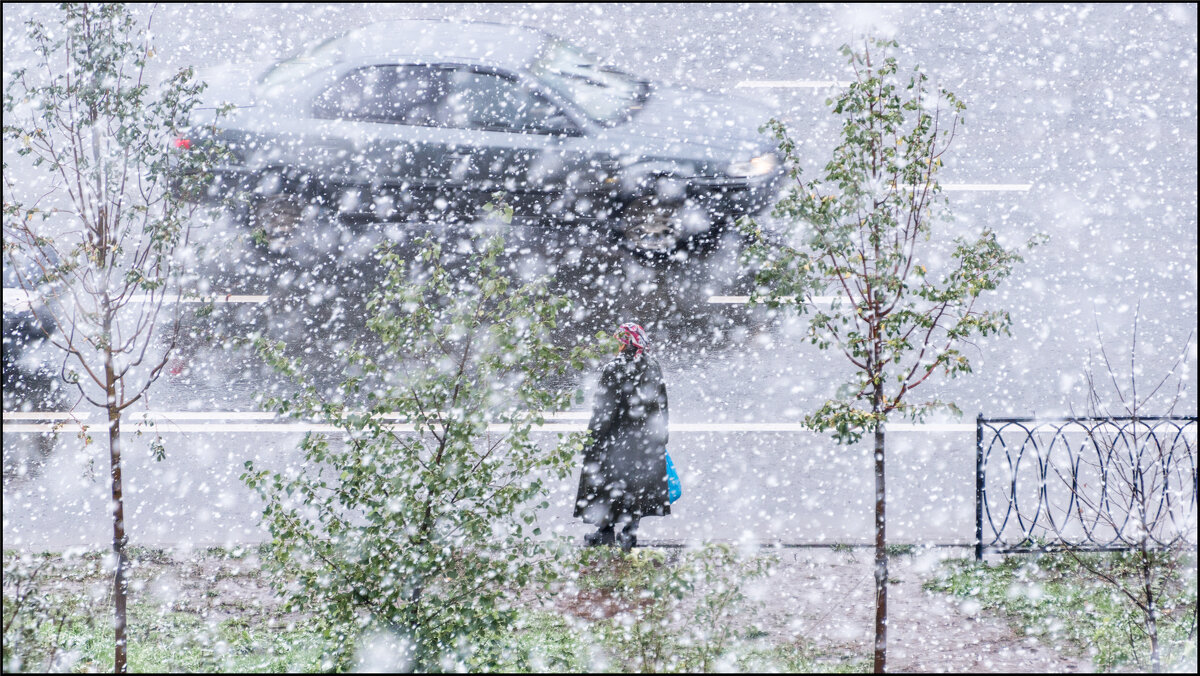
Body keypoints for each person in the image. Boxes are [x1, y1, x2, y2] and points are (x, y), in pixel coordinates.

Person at [574, 322, 670, 551]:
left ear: (624, 342)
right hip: (644, 440)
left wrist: (592, 440)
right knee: (635, 487)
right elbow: (662, 404)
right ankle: (629, 534)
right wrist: (662, 435)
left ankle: (605, 531)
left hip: (615, 440)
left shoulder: (614, 368)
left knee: (606, 484)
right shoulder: (652, 365)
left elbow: (603, 411)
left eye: (619, 340)